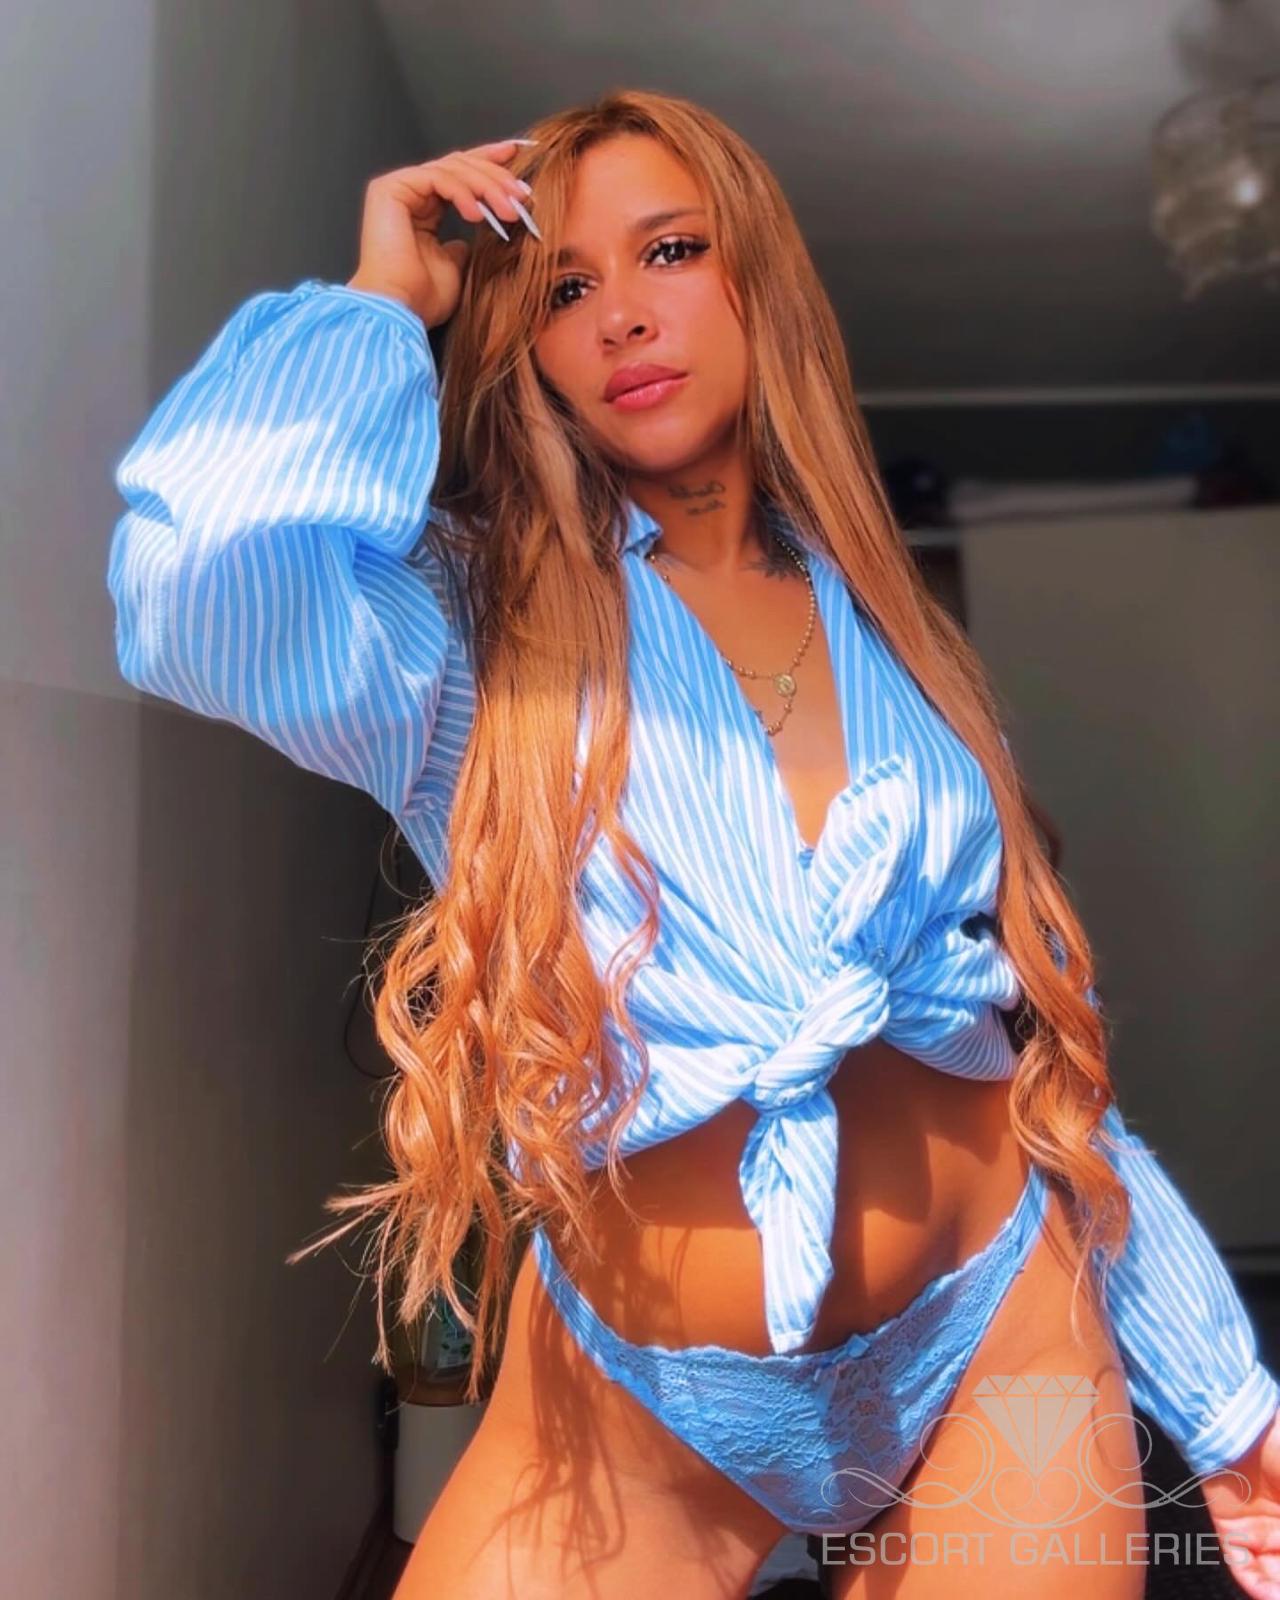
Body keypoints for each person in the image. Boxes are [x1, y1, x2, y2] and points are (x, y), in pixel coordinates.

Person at [106, 89, 1280, 1599]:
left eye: (669, 251)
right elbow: (198, 587)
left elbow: (1032, 1053)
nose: (620, 317)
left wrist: (1226, 1400)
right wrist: (384, 300)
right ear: (527, 346)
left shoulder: (891, 620)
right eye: (564, 288)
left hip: (999, 1328)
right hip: (643, 1402)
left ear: (754, 280)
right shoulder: (471, 631)